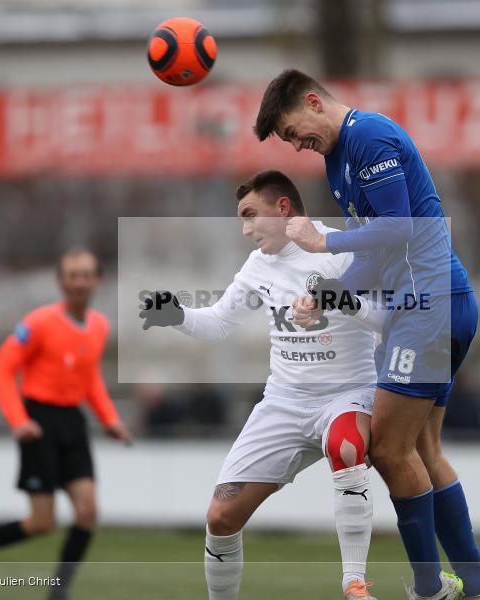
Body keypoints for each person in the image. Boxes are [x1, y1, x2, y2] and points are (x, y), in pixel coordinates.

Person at [254, 70, 480, 600]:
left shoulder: (368, 136)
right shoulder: (336, 158)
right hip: (425, 307)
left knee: (389, 449)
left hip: (428, 307)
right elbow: (374, 252)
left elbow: (401, 227)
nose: (298, 145)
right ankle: (478, 590)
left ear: (314, 102)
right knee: (422, 450)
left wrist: (324, 243)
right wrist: (327, 296)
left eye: (294, 131)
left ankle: (431, 589)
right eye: (289, 142)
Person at [139, 170, 385, 600]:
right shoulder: (259, 265)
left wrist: (339, 298)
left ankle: (354, 584)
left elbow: (387, 320)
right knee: (220, 517)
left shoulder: (339, 250)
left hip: (347, 394)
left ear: (284, 207)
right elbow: (218, 323)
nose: (246, 228)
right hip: (284, 403)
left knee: (346, 446)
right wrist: (176, 315)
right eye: (241, 218)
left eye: (251, 215)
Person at [0, 249, 132, 600]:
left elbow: (89, 377)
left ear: (97, 280)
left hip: (72, 422)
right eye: (72, 275)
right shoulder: (38, 323)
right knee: (42, 522)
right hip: (38, 421)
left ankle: (58, 592)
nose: (79, 282)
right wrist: (18, 420)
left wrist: (110, 419)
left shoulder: (99, 326)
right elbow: (2, 369)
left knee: (88, 511)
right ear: (61, 282)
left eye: (86, 275)